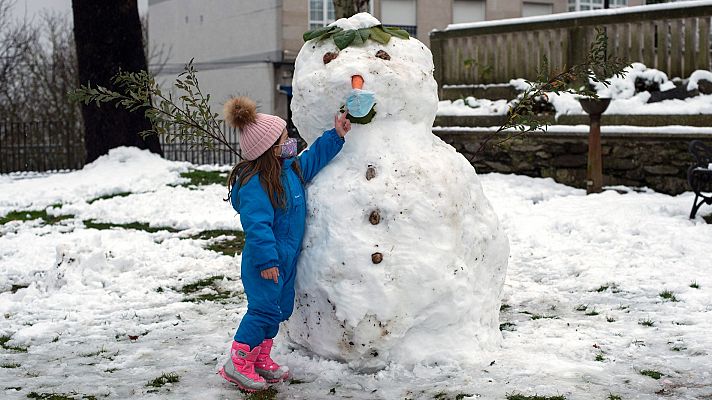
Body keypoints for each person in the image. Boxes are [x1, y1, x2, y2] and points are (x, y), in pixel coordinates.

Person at [218, 96, 351, 392]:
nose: (289, 140)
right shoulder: (256, 183)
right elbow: (257, 226)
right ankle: (237, 364)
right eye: (283, 138)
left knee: (278, 310)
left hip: (285, 258)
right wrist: (267, 262)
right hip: (264, 262)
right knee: (262, 310)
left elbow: (311, 159)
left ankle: (260, 358)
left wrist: (336, 135)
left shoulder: (288, 170)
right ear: (269, 148)